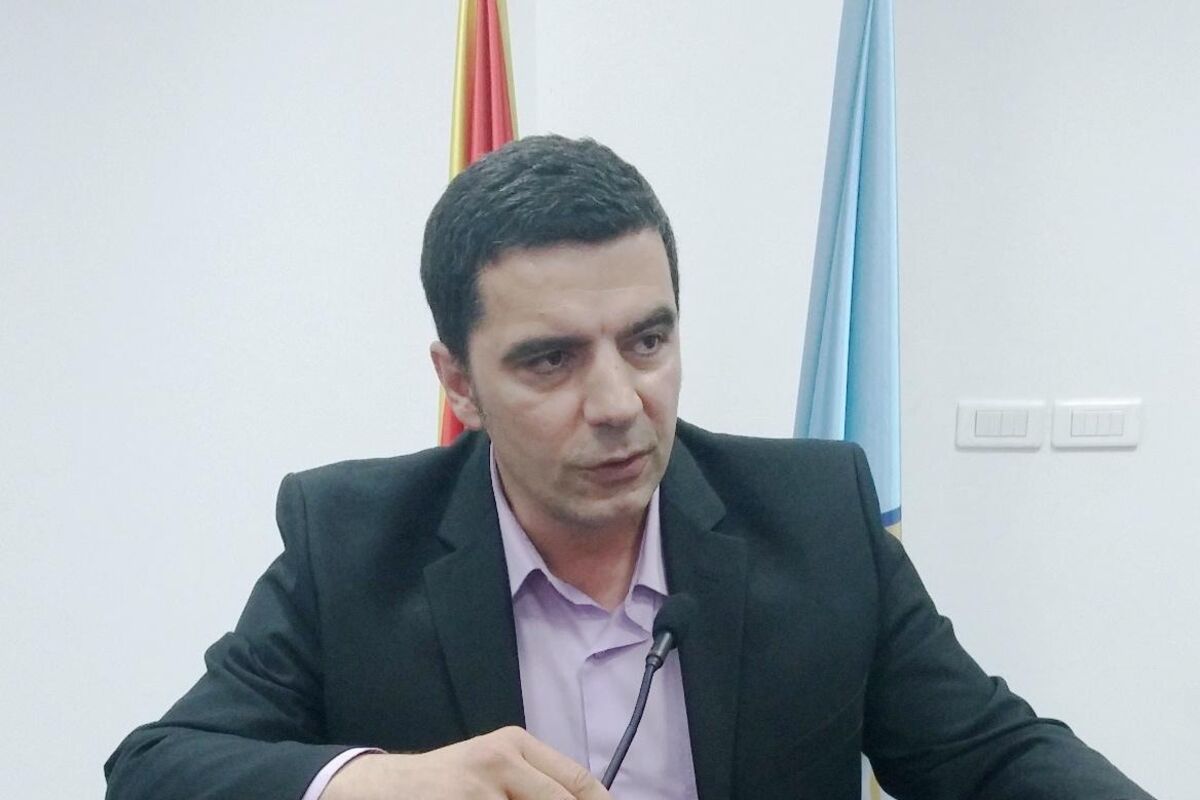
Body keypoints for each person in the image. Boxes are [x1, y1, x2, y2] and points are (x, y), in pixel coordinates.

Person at [105, 135, 1152, 800]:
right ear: (457, 381)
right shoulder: (351, 542)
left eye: (647, 341)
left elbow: (995, 757)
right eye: (550, 359)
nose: (617, 403)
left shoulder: (815, 517)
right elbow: (154, 769)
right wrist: (375, 783)